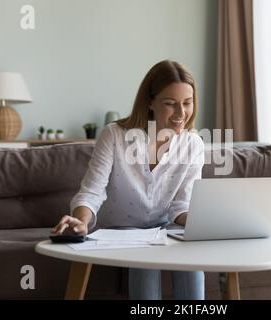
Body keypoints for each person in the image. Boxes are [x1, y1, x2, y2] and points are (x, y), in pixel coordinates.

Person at [51, 60, 205, 300]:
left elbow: (181, 206)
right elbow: (92, 192)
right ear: (150, 102)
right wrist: (81, 222)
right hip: (121, 230)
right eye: (170, 104)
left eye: (187, 103)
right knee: (145, 264)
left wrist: (206, 222)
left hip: (163, 228)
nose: (181, 113)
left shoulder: (193, 144)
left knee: (192, 259)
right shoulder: (114, 135)